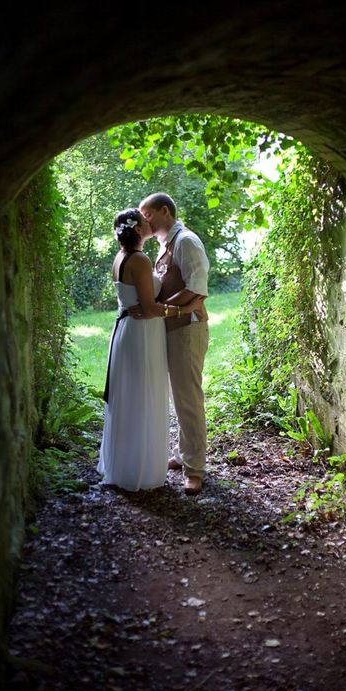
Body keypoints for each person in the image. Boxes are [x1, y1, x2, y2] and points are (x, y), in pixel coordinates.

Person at [97, 208, 202, 491]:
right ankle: (140, 469)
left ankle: (126, 463)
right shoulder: (141, 260)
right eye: (145, 220)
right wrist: (186, 309)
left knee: (131, 396)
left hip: (127, 331)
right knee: (143, 396)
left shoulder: (120, 258)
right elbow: (149, 308)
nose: (149, 221)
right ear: (139, 229)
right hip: (142, 332)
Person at [134, 193, 209, 495]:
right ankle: (183, 454)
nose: (143, 221)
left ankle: (195, 469)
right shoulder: (164, 245)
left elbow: (197, 290)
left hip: (187, 330)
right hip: (171, 329)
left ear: (165, 212)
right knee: (179, 397)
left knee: (188, 399)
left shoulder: (186, 241)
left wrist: (161, 308)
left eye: (147, 215)